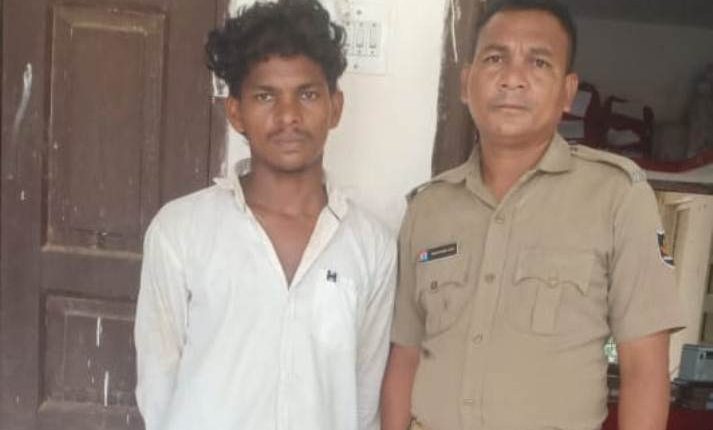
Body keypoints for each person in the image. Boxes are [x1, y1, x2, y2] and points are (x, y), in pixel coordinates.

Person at [381, 1, 684, 429]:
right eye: (495, 58)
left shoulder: (616, 197)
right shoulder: (428, 208)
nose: (513, 78)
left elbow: (644, 369)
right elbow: (405, 356)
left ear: (567, 92)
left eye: (538, 62)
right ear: (466, 83)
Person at [134, 1, 396, 429]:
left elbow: (363, 400)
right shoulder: (180, 232)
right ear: (235, 112)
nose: (288, 115)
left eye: (307, 94)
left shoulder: (371, 247)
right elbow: (158, 385)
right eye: (265, 96)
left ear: (335, 107)